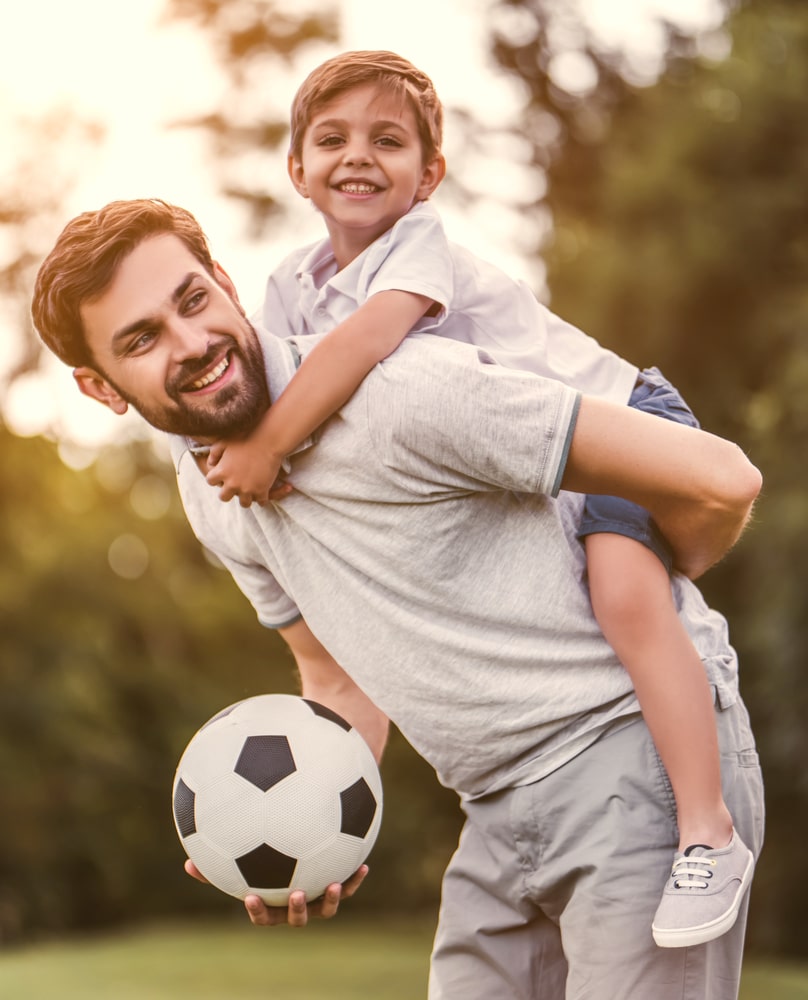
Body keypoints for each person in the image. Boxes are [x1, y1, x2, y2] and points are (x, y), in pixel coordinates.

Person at [32, 198, 763, 1000]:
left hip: (633, 757)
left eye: (193, 300)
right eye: (142, 339)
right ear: (100, 389)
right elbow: (337, 680)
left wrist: (659, 596)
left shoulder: (399, 397)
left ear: (227, 285)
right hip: (492, 809)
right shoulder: (212, 497)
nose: (192, 343)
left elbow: (720, 480)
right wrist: (303, 823)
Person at [199, 51, 750, 948]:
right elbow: (290, 385)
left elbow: (370, 342)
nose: (358, 157)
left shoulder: (418, 248)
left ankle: (705, 830)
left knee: (624, 599)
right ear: (296, 168)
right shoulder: (287, 287)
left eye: (389, 139)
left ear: (429, 174)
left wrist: (265, 445)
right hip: (535, 463)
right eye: (331, 139)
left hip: (619, 421)